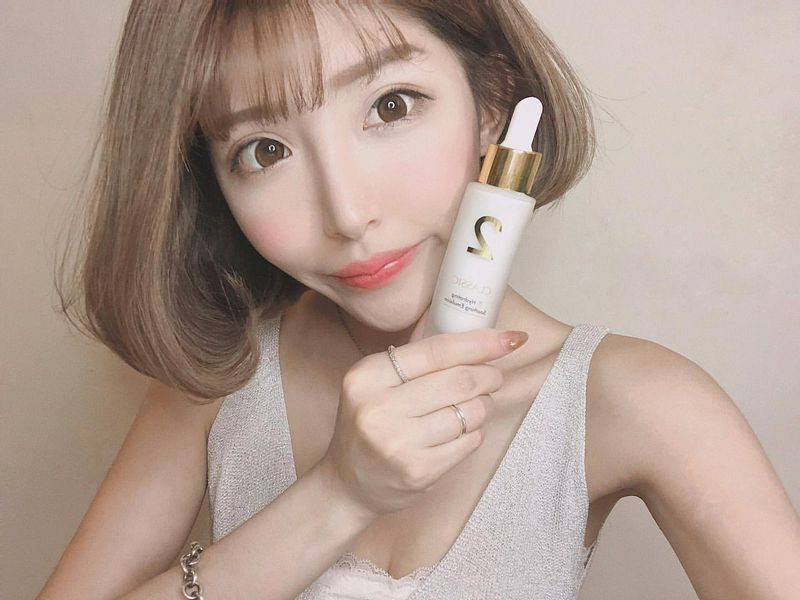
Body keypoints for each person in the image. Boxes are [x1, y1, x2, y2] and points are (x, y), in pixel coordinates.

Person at [41, 1, 800, 599]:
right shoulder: (216, 383)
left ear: (492, 103)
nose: (347, 214)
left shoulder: (632, 401)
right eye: (265, 151)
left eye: (392, 106)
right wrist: (338, 496)